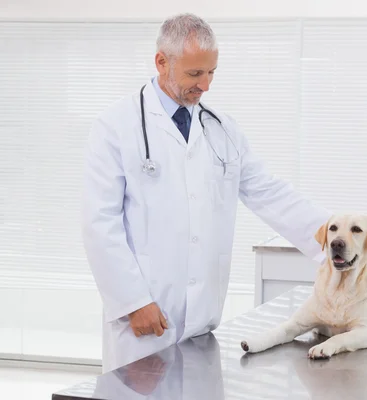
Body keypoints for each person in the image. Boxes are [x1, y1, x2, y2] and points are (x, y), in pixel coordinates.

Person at [81, 13, 330, 373]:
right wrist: (132, 301)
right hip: (143, 317)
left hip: (202, 316)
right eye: (195, 74)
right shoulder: (116, 127)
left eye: (211, 72)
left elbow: (269, 191)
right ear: (162, 62)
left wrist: (337, 238)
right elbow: (98, 223)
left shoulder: (220, 128)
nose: (206, 85)